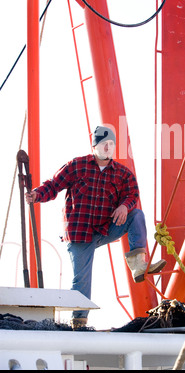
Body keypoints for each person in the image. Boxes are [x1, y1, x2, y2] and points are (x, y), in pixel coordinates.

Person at [25, 125, 166, 328]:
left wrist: (125, 207)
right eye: (104, 144)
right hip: (79, 234)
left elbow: (133, 194)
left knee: (136, 215)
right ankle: (78, 322)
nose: (108, 148)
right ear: (95, 146)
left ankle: (138, 264)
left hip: (106, 228)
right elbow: (54, 185)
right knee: (81, 280)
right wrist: (37, 194)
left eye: (111, 144)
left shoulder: (122, 174)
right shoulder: (77, 166)